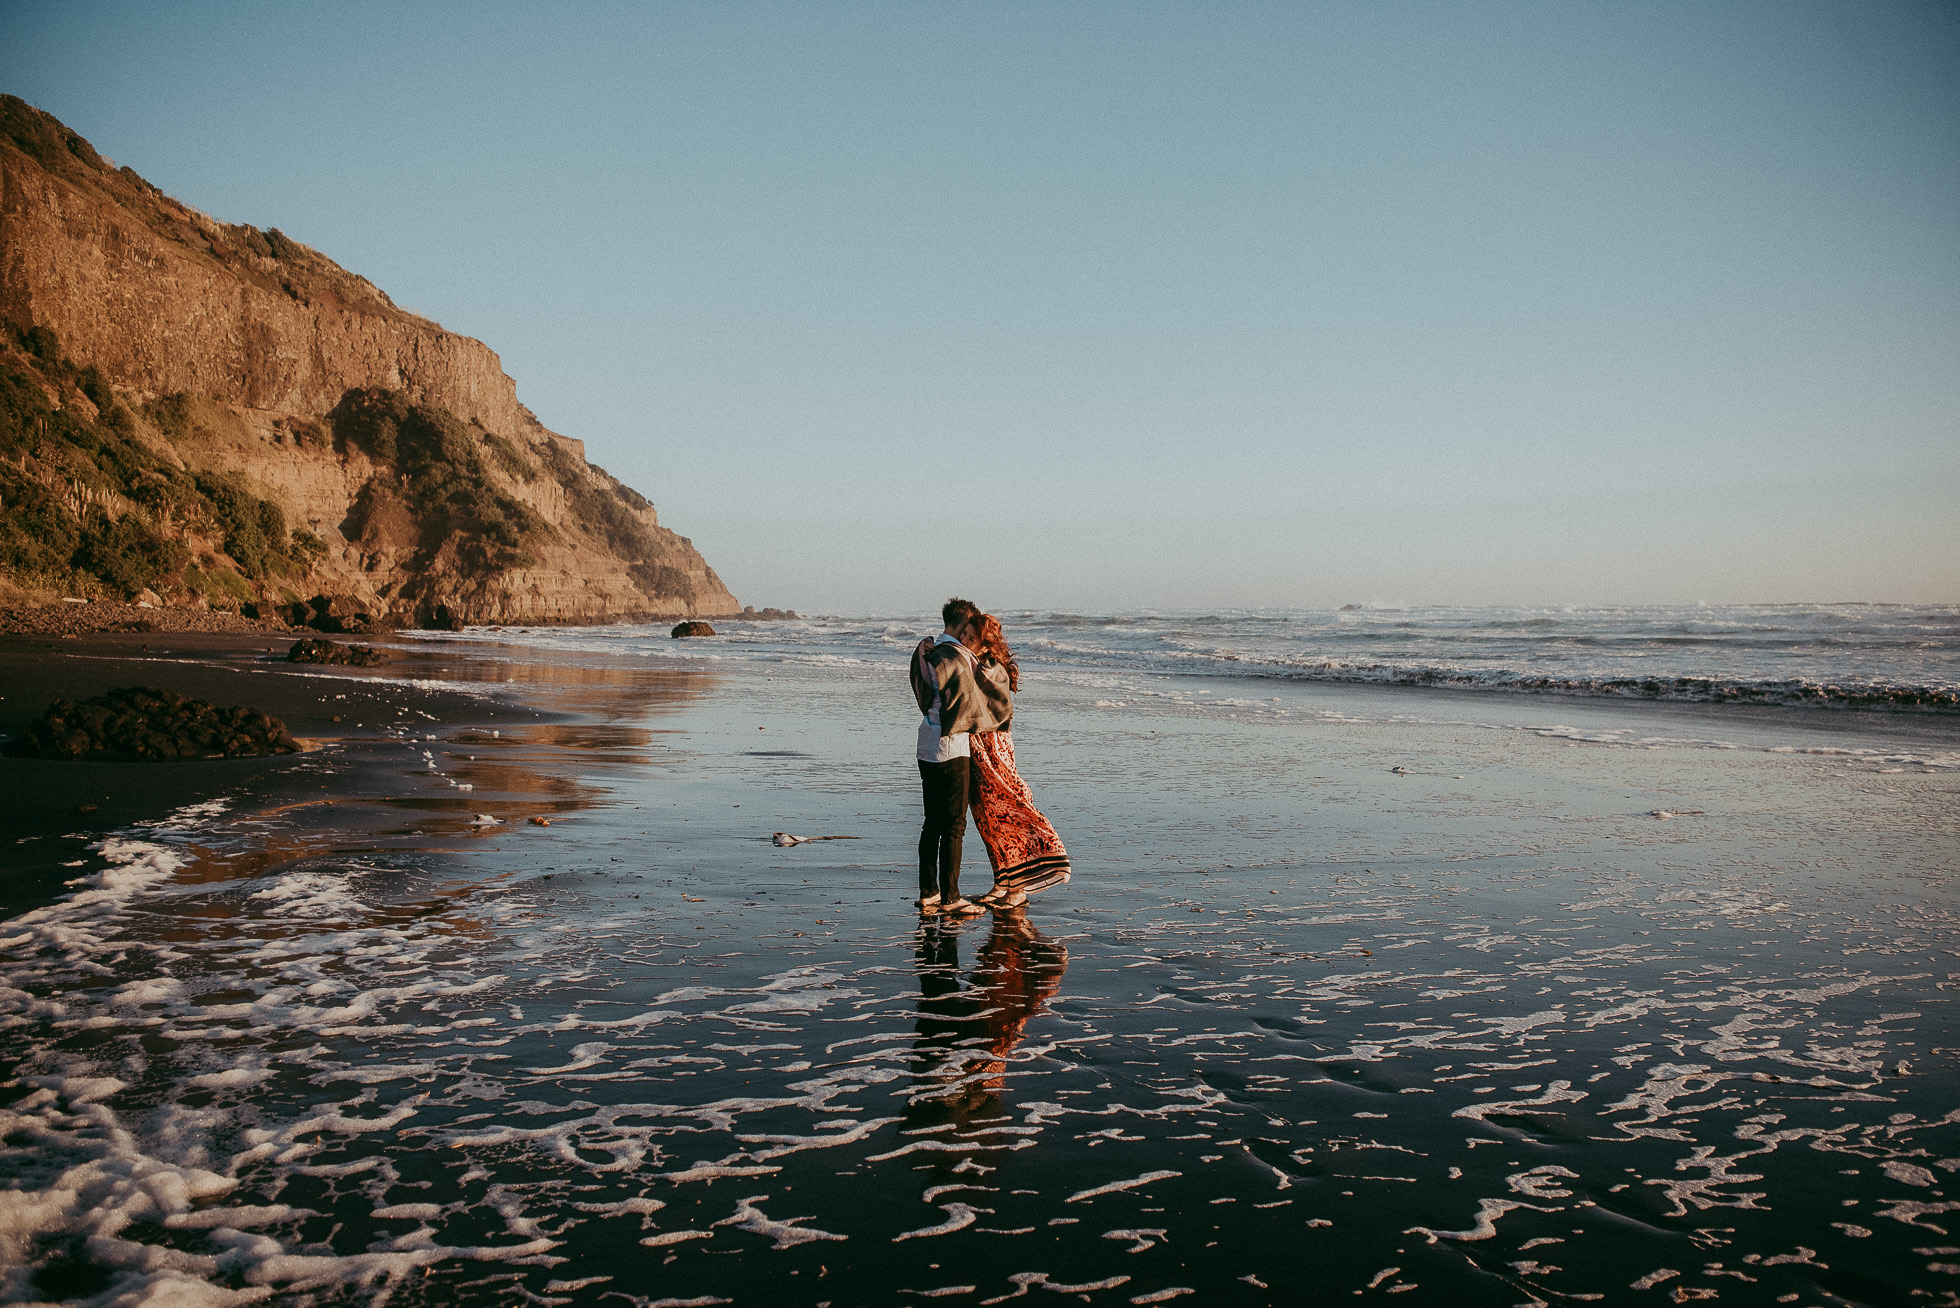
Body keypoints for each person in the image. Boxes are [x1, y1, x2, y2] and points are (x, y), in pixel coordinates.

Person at [961, 613, 1071, 907]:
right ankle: (1003, 882)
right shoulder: (970, 661)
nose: (963, 642)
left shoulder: (991, 668)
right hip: (977, 745)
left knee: (1010, 805)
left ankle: (1021, 887)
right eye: (963, 636)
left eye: (970, 638)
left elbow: (989, 709)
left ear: (985, 646)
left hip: (993, 745)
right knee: (985, 816)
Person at [909, 597, 1007, 915]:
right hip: (951, 748)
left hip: (926, 743)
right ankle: (951, 898)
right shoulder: (959, 656)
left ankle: (929, 892)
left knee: (931, 823)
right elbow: (974, 700)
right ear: (964, 623)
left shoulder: (927, 650)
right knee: (954, 825)